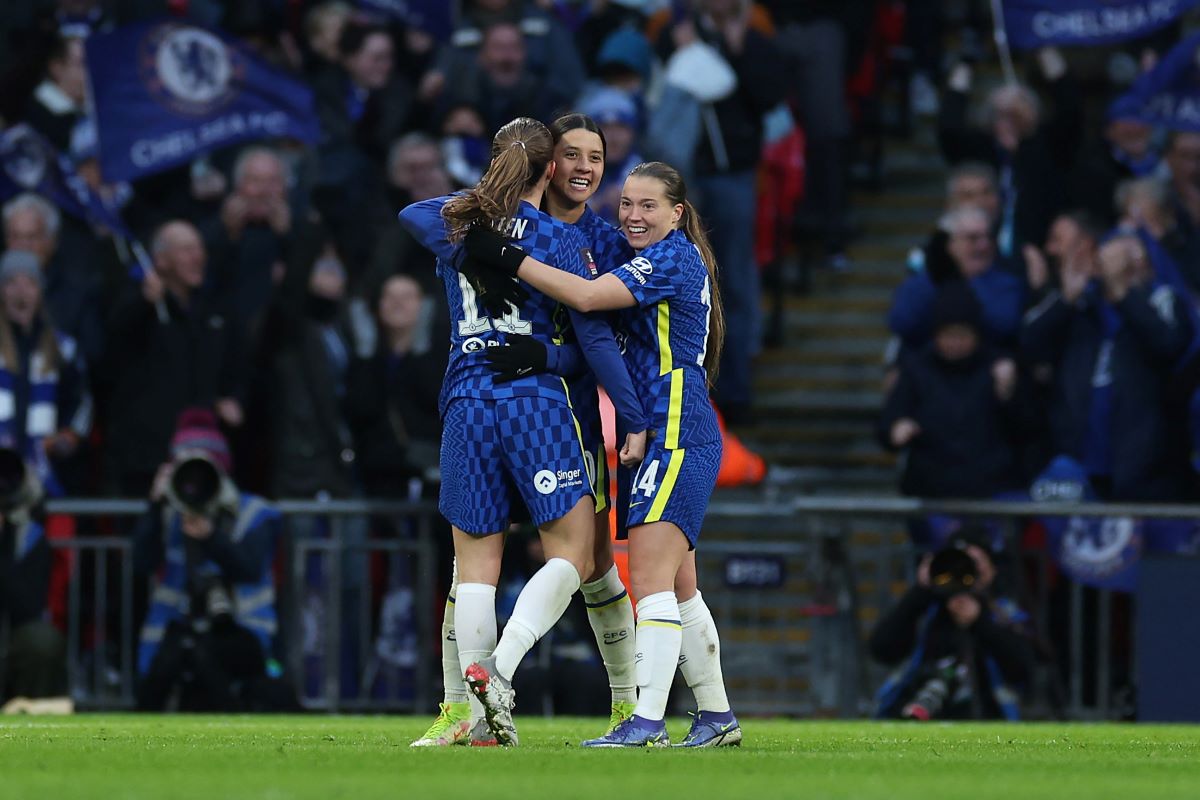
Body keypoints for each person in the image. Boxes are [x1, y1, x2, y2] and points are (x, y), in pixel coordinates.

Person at [462, 160, 739, 747]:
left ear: (677, 214)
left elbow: (587, 298)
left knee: (651, 578)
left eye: (648, 206)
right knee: (681, 585)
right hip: (660, 427)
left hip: (676, 426)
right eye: (627, 205)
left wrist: (509, 257)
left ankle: (646, 721)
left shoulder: (669, 258)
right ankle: (716, 717)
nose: (634, 216)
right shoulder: (655, 258)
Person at [397, 117, 648, 747]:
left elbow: (415, 214)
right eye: (573, 155)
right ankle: (486, 692)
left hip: (467, 398)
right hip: (543, 408)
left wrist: (487, 221)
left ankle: (480, 717)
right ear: (550, 167)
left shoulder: (459, 230)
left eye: (596, 157)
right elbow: (596, 331)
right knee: (576, 554)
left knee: (483, 567)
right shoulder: (564, 242)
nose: (585, 168)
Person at [134, 409, 291, 712]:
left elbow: (249, 567)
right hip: (181, 627)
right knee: (176, 656)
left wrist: (211, 536)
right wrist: (155, 505)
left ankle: (235, 724)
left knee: (201, 652)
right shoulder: (169, 515)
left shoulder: (253, 512)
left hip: (242, 632)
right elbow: (141, 563)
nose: (194, 484)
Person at [1021, 235, 1194, 500]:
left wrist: (1124, 295)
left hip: (1146, 463)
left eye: (1128, 259)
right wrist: (1066, 297)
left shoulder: (1162, 299)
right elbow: (1028, 343)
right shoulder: (1079, 304)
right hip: (1076, 461)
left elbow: (1170, 344)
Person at [103, 221, 246, 496]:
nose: (198, 257)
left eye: (200, 249)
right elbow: (111, 354)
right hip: (148, 459)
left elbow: (238, 369)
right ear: (161, 260)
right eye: (186, 250)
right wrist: (143, 304)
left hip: (206, 454)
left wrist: (235, 398)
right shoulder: (137, 304)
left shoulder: (215, 309)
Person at [879, 282, 1027, 500]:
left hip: (991, 489)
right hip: (931, 491)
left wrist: (1008, 394)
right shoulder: (916, 369)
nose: (955, 343)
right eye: (948, 335)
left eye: (962, 335)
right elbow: (888, 422)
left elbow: (1027, 426)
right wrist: (896, 429)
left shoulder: (1000, 367)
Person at [869, 532, 1034, 720]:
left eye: (974, 562)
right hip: (915, 710)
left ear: (992, 569)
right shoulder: (927, 607)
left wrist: (979, 622)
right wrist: (919, 591)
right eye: (957, 562)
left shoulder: (1004, 612)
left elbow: (1024, 671)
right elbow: (881, 651)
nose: (965, 570)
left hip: (986, 717)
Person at [0, 250, 91, 496]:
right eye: (12, 283)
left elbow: (81, 400)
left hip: (44, 475)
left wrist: (69, 435)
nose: (21, 291)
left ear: (40, 291)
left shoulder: (63, 348)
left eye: (29, 282)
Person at [0, 450, 68, 712]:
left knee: (43, 640)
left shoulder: (31, 537)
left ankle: (31, 719)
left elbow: (28, 608)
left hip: (12, 638)